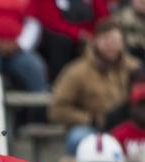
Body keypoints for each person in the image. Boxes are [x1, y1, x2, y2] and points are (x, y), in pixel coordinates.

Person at [50, 18, 141, 154]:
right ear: (95, 41)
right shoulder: (76, 71)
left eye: (115, 41)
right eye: (106, 40)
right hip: (94, 128)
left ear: (123, 43)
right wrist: (88, 119)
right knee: (78, 137)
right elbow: (57, 109)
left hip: (131, 125)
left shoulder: (135, 68)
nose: (111, 46)